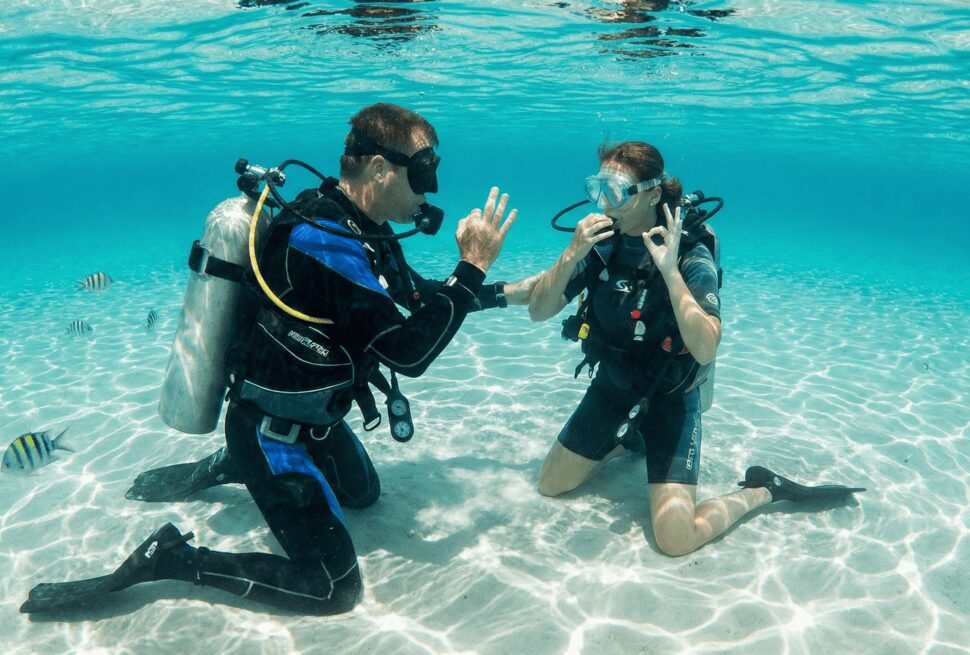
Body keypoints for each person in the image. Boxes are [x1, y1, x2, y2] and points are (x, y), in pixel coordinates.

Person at [21, 103, 532, 615]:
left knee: (365, 496)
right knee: (333, 589)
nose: (430, 189)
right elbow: (408, 353)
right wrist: (473, 265)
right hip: (270, 430)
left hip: (316, 422)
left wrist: (508, 293)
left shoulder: (363, 228)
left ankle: (231, 466)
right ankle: (174, 557)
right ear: (380, 169)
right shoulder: (325, 240)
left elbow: (417, 297)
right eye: (423, 172)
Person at [528, 140, 865, 556]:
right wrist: (570, 254)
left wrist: (669, 272)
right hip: (613, 386)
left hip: (669, 396)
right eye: (596, 189)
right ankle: (629, 438)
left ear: (651, 194)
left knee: (676, 539)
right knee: (551, 485)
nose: (603, 204)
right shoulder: (601, 245)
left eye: (614, 191)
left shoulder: (690, 251)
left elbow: (705, 348)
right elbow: (539, 311)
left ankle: (765, 489)